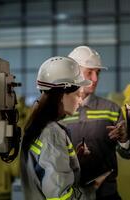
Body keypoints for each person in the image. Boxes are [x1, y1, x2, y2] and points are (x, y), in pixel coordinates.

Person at [63, 46, 130, 200]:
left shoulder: (111, 109)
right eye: (89, 72)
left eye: (98, 72)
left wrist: (124, 140)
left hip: (107, 194)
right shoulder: (59, 113)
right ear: (74, 73)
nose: (95, 79)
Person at [20, 56, 91, 200]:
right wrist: (93, 190)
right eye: (78, 94)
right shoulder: (52, 133)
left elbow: (43, 170)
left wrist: (72, 159)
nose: (81, 101)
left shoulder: (38, 125)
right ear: (61, 95)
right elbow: (60, 196)